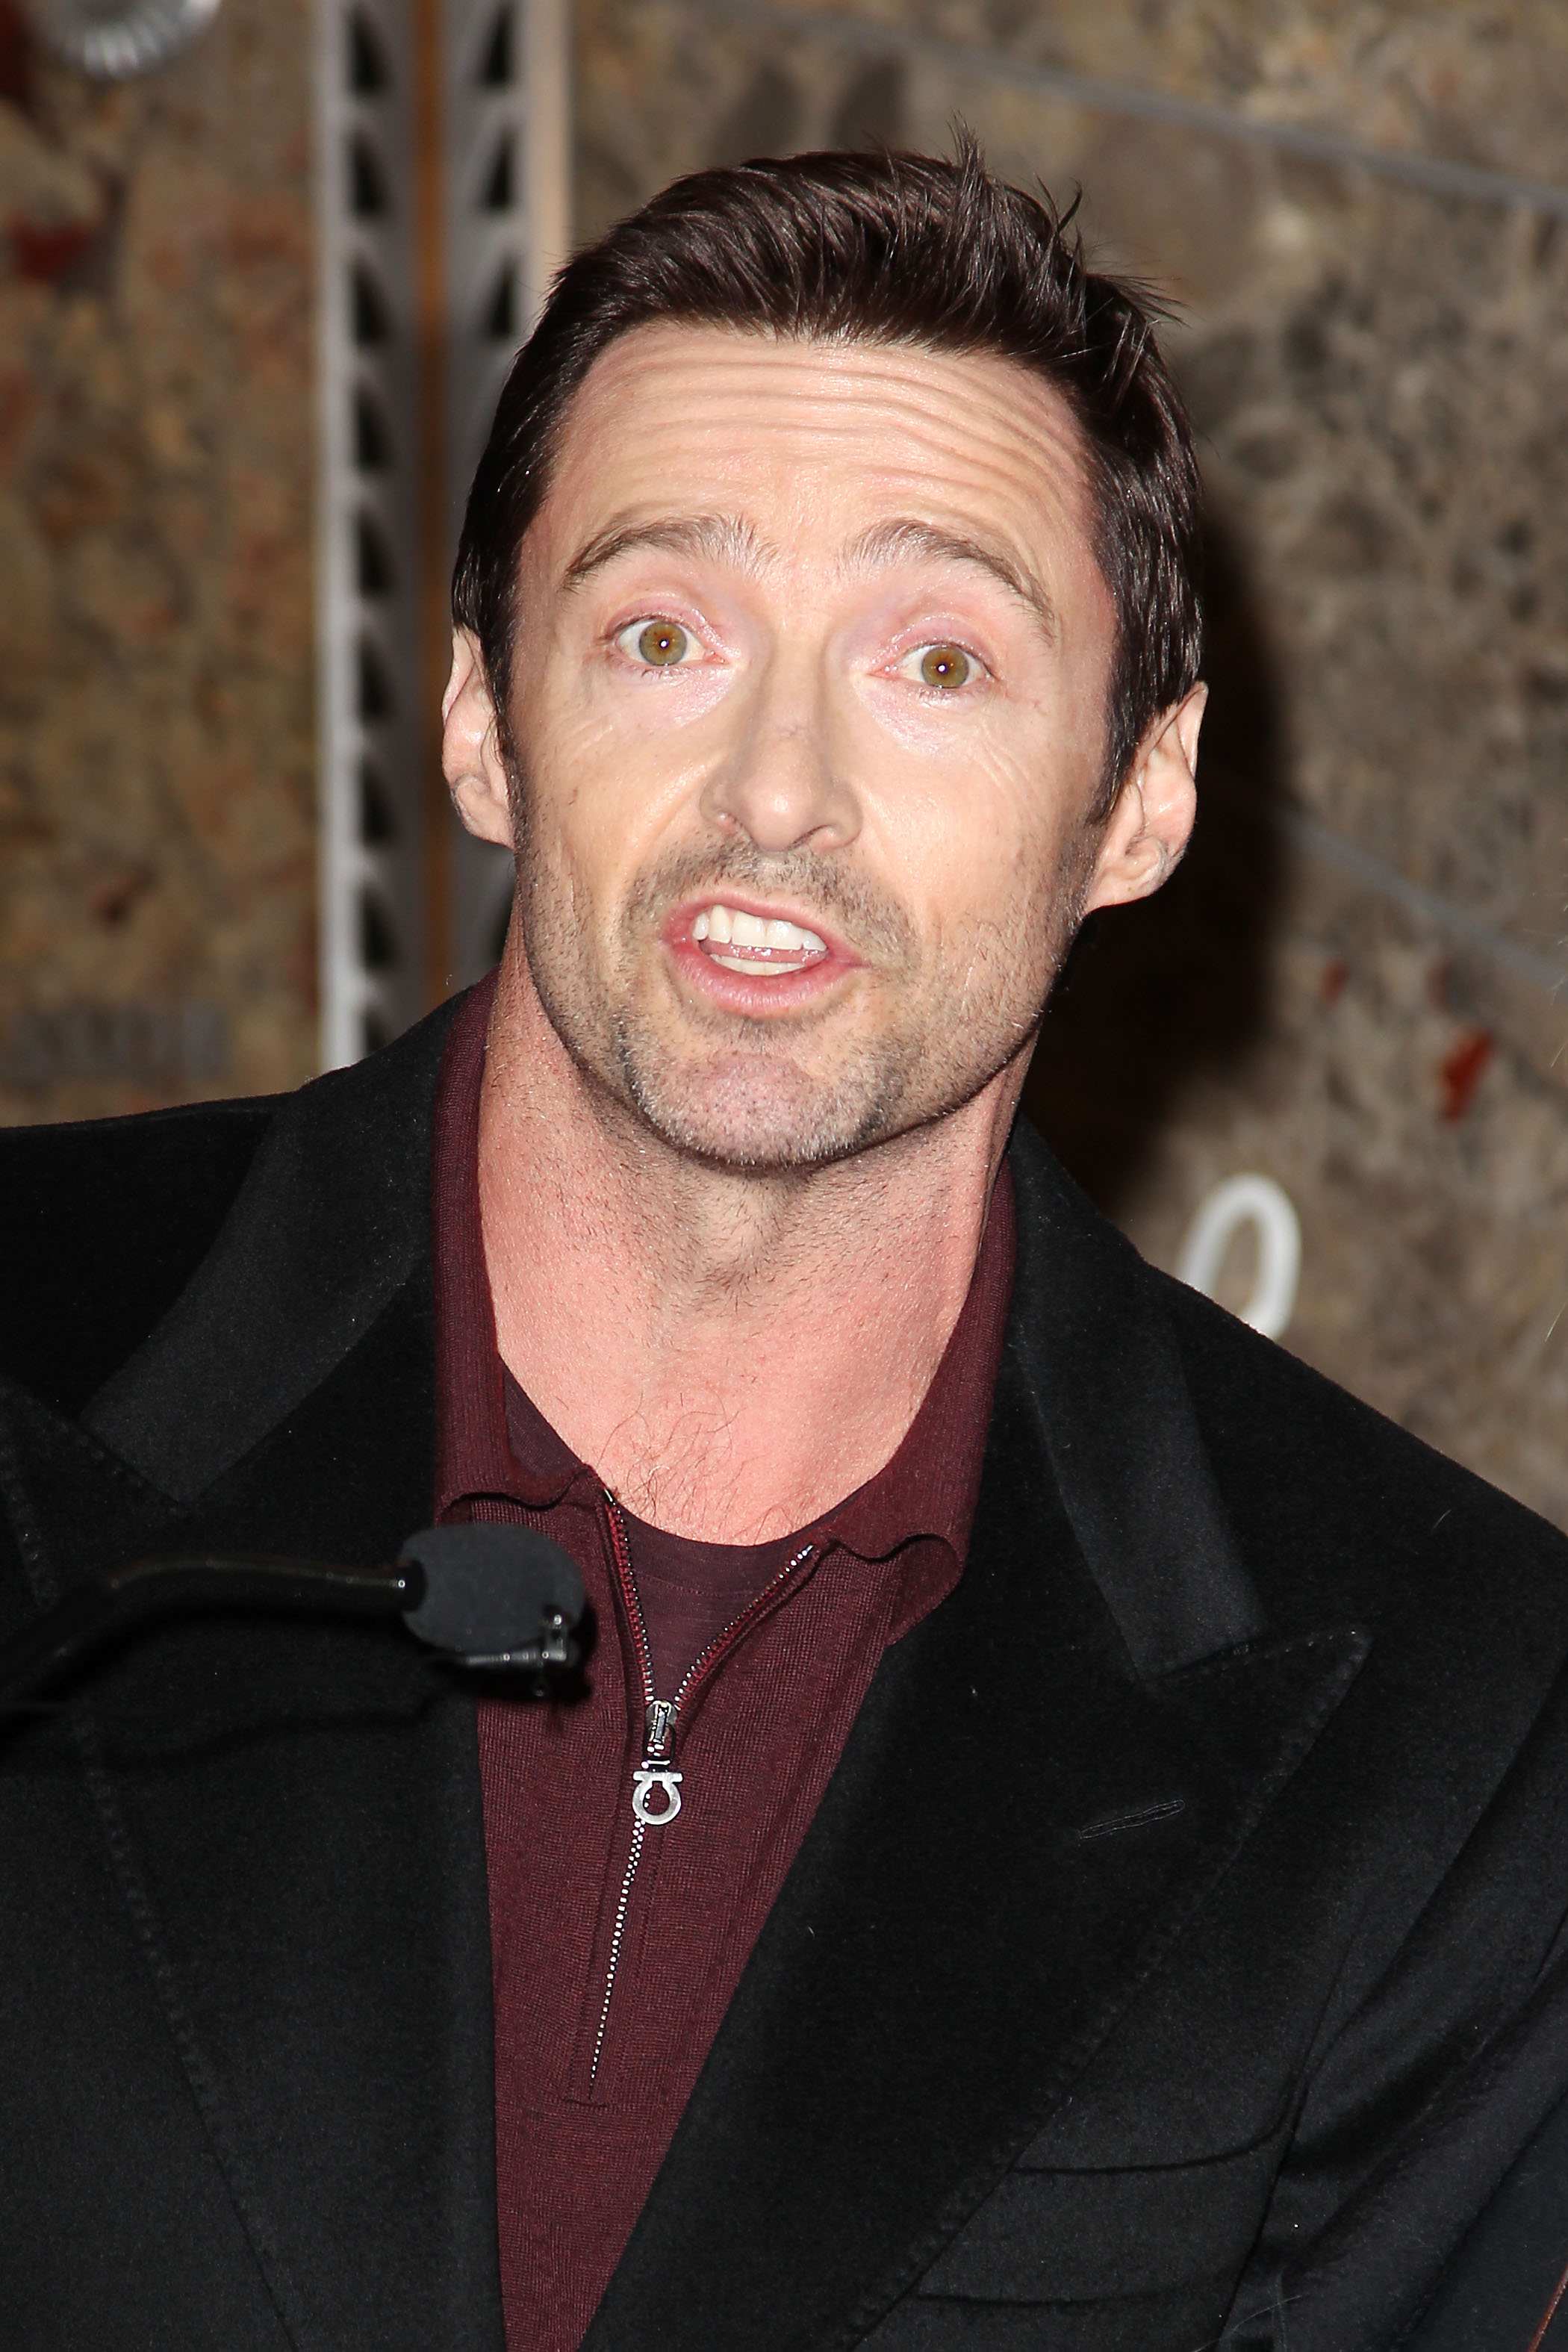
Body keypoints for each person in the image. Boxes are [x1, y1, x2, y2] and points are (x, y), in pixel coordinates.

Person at [2, 141, 1567, 2352]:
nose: (774, 790)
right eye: (664, 635)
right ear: (481, 723)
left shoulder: (1451, 1720)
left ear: (1139, 797)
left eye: (936, 661)